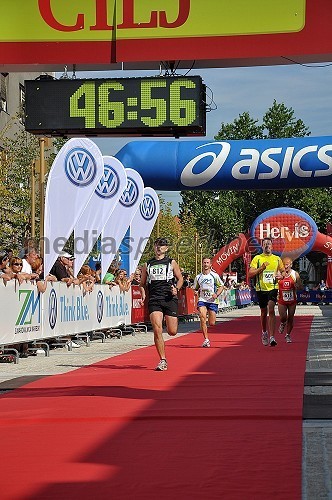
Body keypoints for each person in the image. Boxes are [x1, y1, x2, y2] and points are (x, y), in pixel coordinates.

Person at [140, 237, 183, 371]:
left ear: (166, 248)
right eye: (157, 245)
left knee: (172, 331)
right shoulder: (147, 265)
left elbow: (180, 278)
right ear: (154, 247)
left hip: (169, 298)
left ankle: (166, 320)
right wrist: (143, 294)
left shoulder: (171, 262)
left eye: (162, 245)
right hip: (155, 299)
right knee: (157, 329)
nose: (159, 247)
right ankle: (162, 360)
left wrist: (177, 288)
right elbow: (142, 284)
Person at [248, 237, 284, 347]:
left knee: (271, 309)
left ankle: (272, 337)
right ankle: (264, 332)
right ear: (262, 246)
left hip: (273, 288)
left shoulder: (277, 259)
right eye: (265, 244)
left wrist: (281, 275)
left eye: (269, 244)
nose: (267, 245)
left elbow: (283, 272)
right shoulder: (257, 258)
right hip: (261, 289)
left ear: (272, 246)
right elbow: (250, 274)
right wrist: (261, 268)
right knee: (264, 312)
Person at [193, 257, 224, 347]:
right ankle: (206, 339)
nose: (206, 264)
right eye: (204, 262)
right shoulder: (198, 277)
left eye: (207, 263)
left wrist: (216, 294)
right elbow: (195, 288)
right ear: (202, 264)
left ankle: (208, 330)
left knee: (212, 323)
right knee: (202, 317)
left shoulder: (214, 276)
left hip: (212, 301)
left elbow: (221, 286)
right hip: (202, 300)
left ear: (210, 265)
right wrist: (195, 291)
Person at [277, 257, 303, 343]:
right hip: (282, 300)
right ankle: (282, 323)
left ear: (291, 265)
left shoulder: (295, 274)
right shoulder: (279, 273)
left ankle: (288, 335)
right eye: (284, 264)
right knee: (283, 317)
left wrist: (297, 286)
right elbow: (273, 282)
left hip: (292, 300)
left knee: (291, 318)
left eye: (287, 264)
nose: (286, 266)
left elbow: (301, 286)